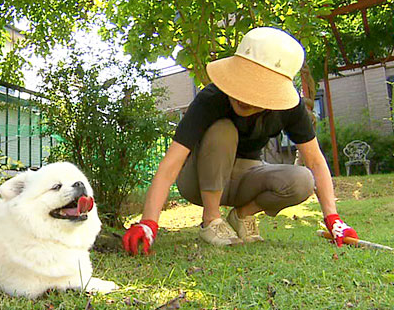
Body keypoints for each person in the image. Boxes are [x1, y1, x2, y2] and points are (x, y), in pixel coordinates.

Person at [122, 27, 358, 255]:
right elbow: (172, 162)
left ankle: (242, 215)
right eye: (243, 83)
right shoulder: (211, 98)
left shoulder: (290, 108)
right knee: (224, 130)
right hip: (198, 180)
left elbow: (315, 162)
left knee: (303, 180)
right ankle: (211, 220)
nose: (244, 99)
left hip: (248, 177)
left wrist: (333, 219)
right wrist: (149, 222)